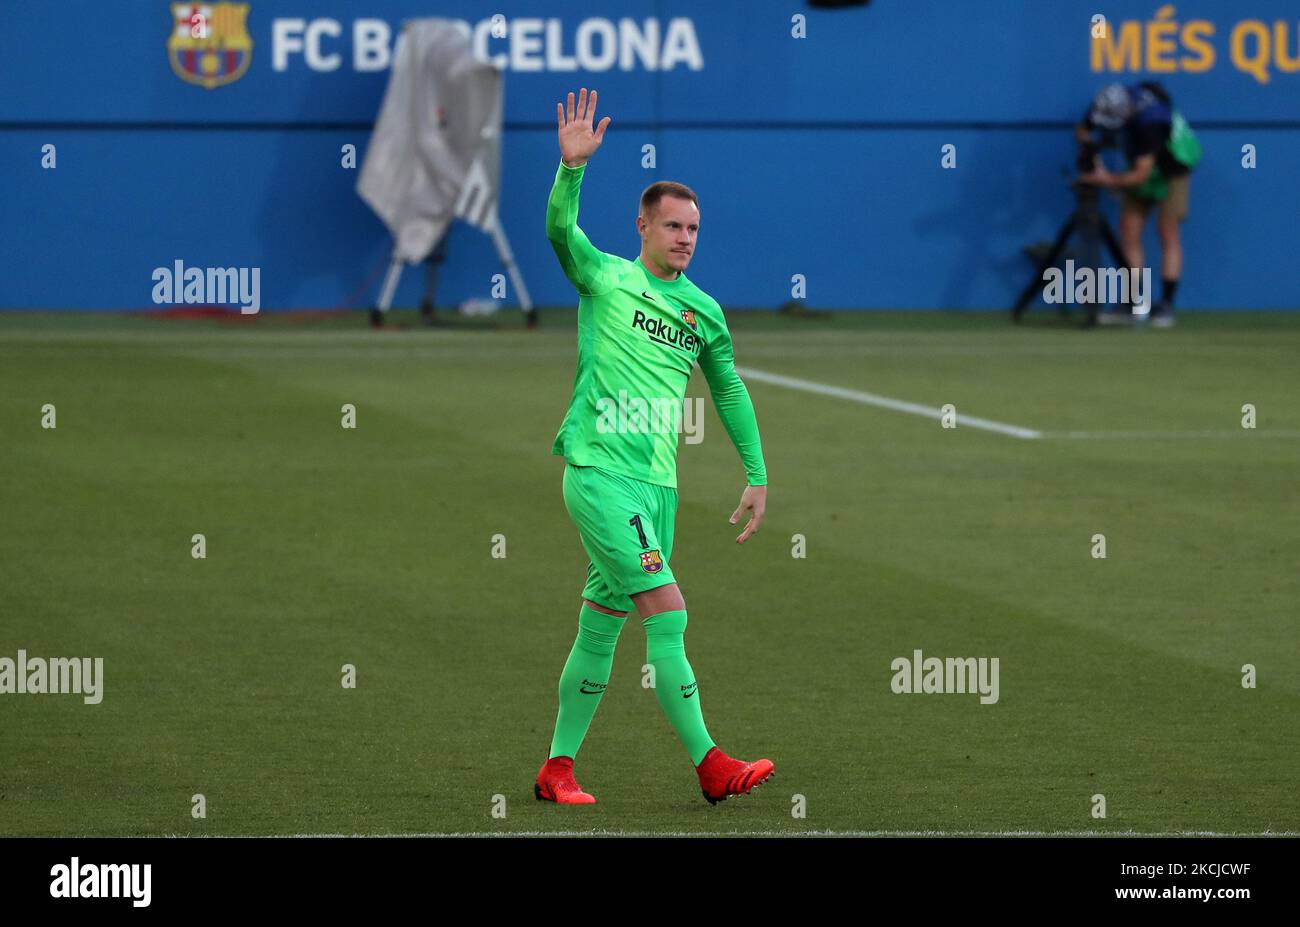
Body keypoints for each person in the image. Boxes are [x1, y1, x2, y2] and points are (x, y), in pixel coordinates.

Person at [535, 88, 774, 806]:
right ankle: (710, 762)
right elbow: (557, 231)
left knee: (601, 625)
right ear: (642, 226)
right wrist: (570, 170)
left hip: (657, 488)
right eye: (672, 225)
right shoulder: (604, 278)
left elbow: (728, 390)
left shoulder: (702, 309)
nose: (684, 237)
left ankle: (556, 769)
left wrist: (757, 473)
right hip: (600, 472)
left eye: (693, 227)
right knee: (668, 611)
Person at [1077, 82, 1200, 328]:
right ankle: (1134, 302)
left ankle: (1165, 305)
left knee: (1167, 232)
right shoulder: (1105, 103)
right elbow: (1082, 130)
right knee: (1129, 230)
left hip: (1173, 167)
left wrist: (1107, 179)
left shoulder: (1151, 123)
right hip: (1141, 163)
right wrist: (1092, 156)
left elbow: (1140, 175)